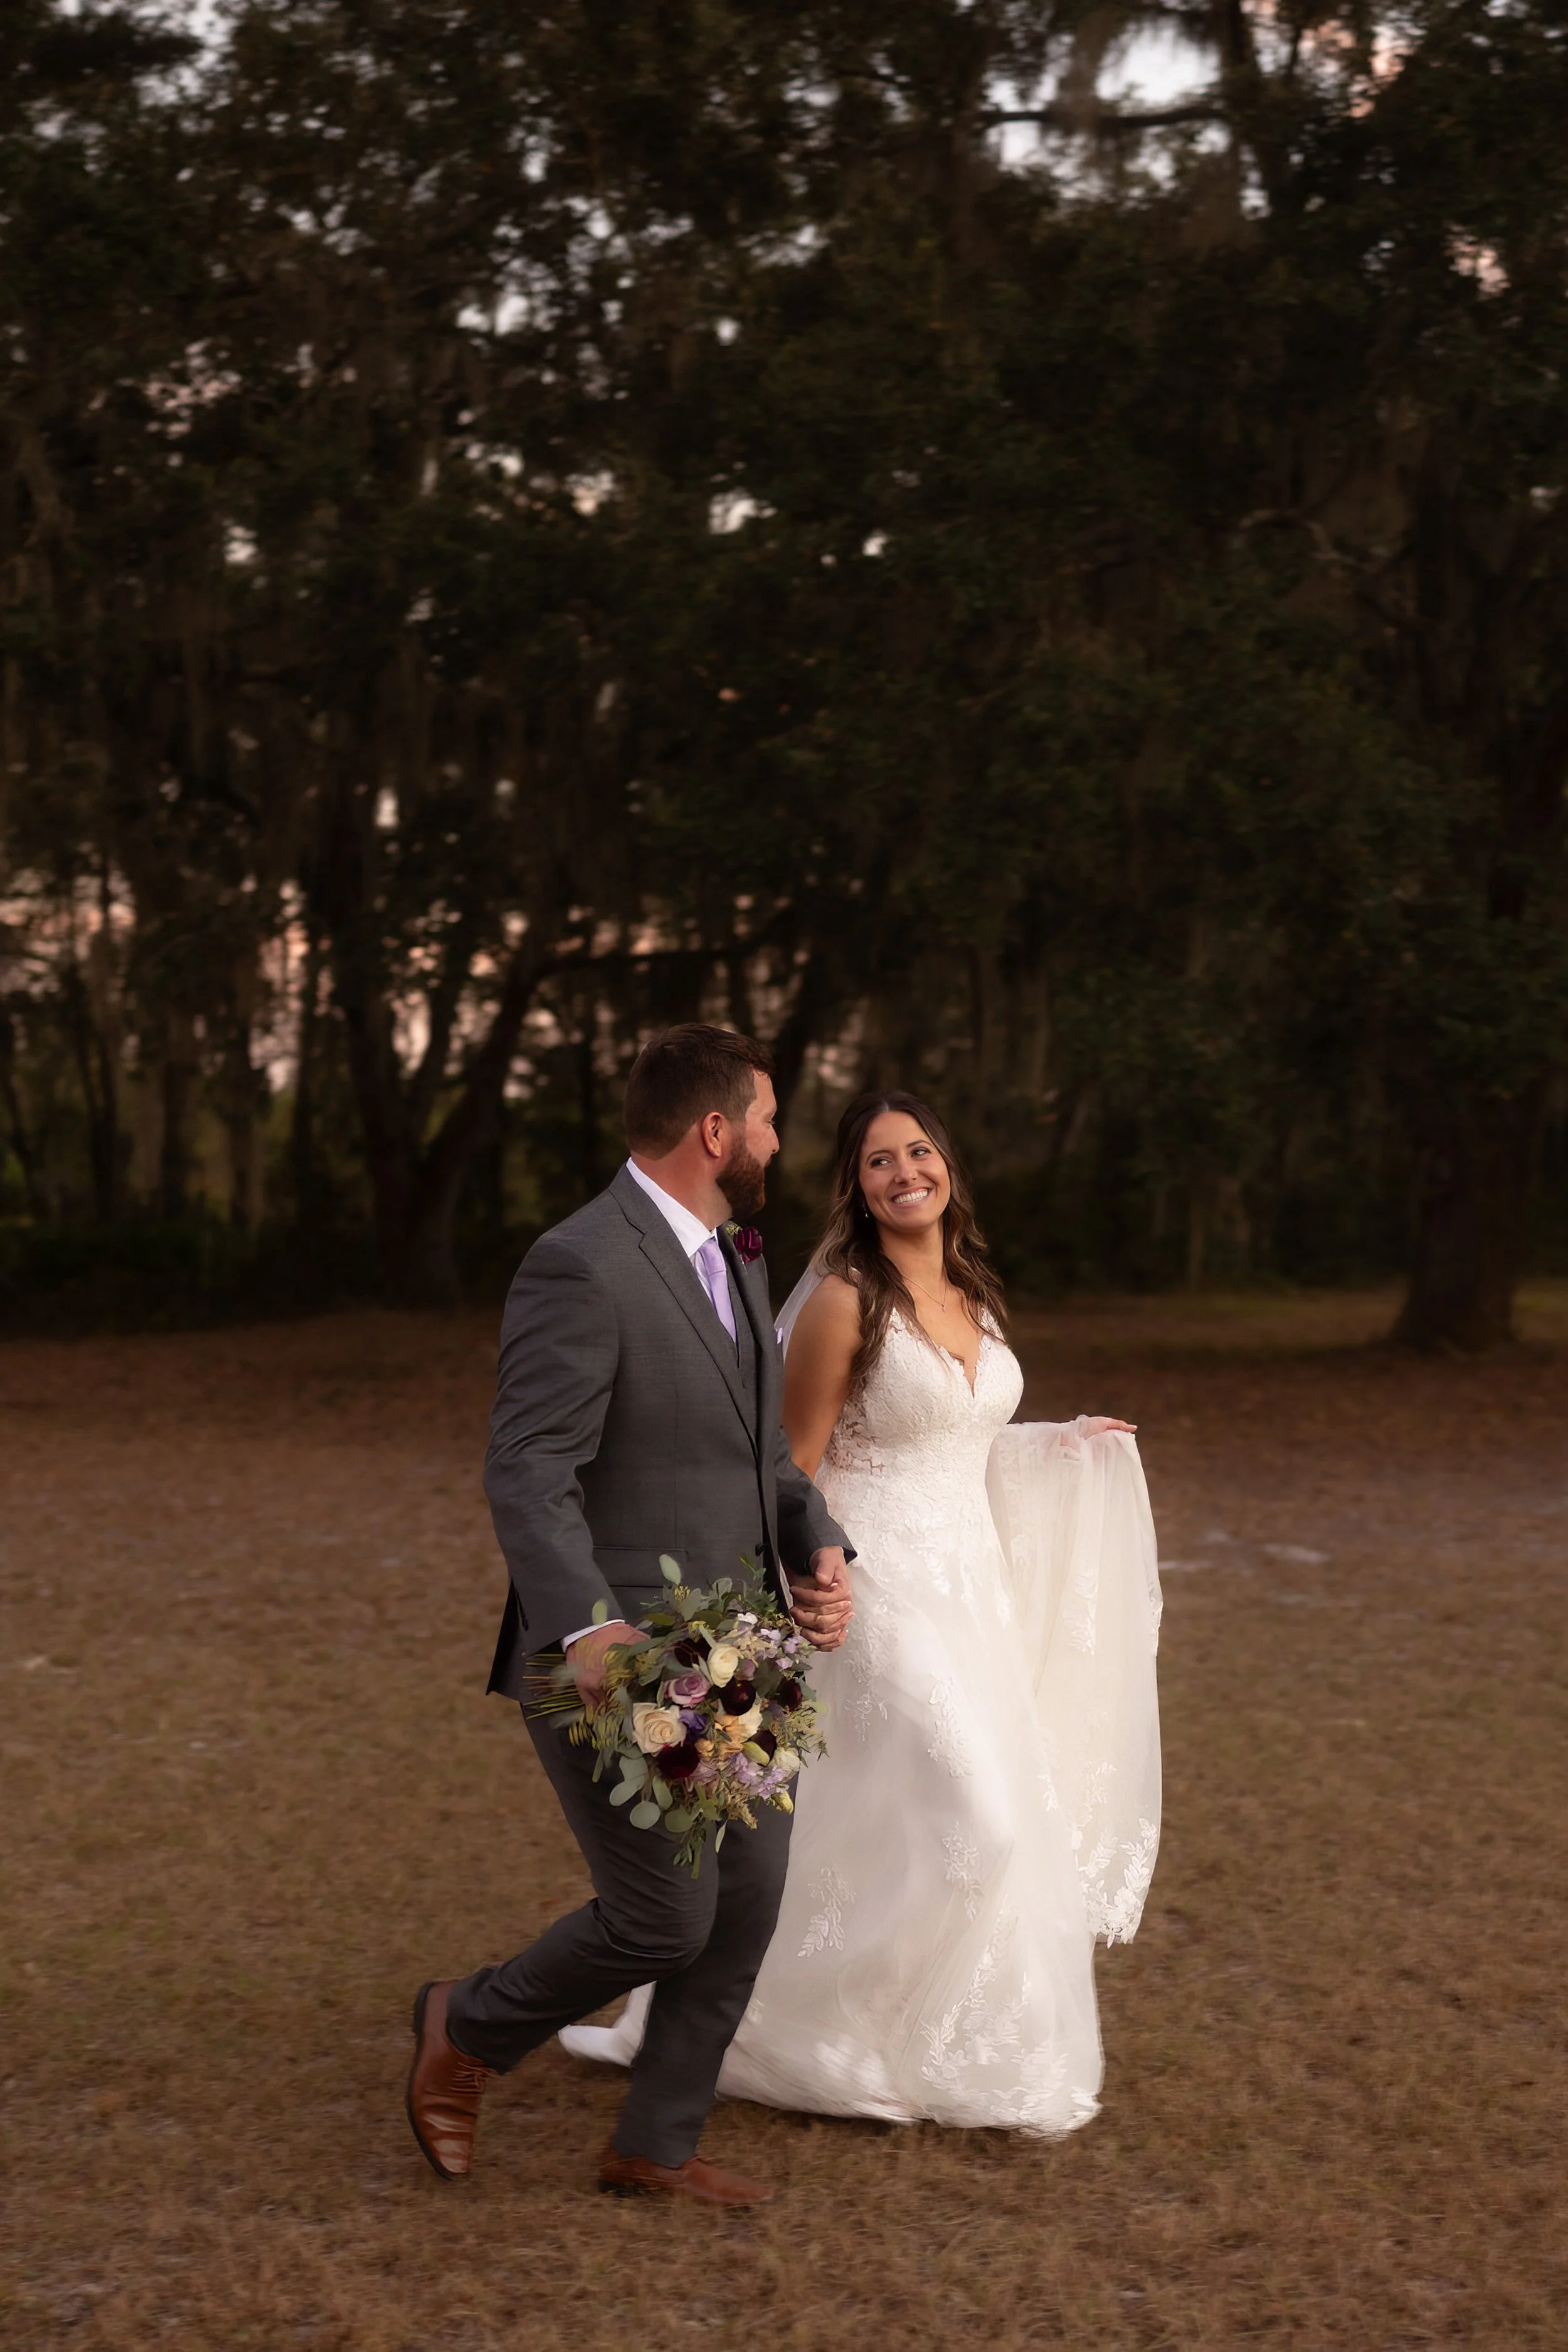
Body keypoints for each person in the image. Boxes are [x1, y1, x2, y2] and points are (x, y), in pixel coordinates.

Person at [562, 1088, 1163, 2134]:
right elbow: (791, 1462)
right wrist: (803, 1577)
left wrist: (1057, 1441)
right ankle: (808, 2036)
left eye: (919, 1151)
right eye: (878, 1161)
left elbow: (953, 1444)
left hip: (969, 1590)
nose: (904, 1173)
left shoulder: (972, 1291)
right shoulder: (846, 1299)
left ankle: (877, 2026)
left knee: (890, 1823)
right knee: (976, 1815)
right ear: (856, 1185)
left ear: (948, 1168)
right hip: (875, 1589)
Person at [405, 1025, 854, 2206]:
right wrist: (590, 1627)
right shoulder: (582, 1262)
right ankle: (467, 2025)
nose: (773, 1138)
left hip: (741, 1649)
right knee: (666, 1914)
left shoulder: (740, 1257)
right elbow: (527, 1468)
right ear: (716, 1132)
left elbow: (765, 1456)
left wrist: (817, 1538)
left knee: (749, 1900)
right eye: (764, 1117)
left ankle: (654, 2144)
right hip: (616, 1651)